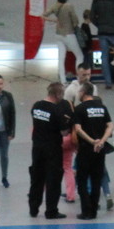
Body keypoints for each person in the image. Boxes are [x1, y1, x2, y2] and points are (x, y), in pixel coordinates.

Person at [28, 82, 73, 220]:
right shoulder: (56, 110)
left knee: (37, 178)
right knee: (53, 180)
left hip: (37, 148)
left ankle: (33, 208)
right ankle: (51, 211)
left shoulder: (36, 106)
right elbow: (64, 132)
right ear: (57, 94)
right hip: (52, 149)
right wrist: (69, 124)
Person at [69, 84, 113, 221]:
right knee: (96, 180)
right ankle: (93, 211)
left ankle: (85, 211)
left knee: (82, 180)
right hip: (100, 150)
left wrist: (92, 141)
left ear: (83, 92)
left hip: (86, 149)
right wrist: (101, 141)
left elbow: (78, 129)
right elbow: (110, 125)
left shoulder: (80, 108)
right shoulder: (102, 107)